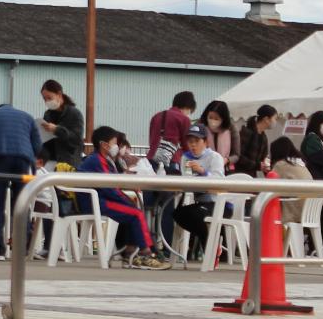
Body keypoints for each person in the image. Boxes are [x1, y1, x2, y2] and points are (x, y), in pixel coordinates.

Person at [79, 126, 169, 269]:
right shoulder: (97, 160)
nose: (116, 146)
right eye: (114, 143)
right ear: (104, 144)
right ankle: (146, 254)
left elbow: (112, 185)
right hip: (95, 202)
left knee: (132, 211)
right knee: (136, 213)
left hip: (99, 200)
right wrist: (125, 200)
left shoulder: (104, 160)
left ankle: (130, 253)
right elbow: (110, 188)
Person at [0, 98, 41, 261]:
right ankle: (20, 248)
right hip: (25, 160)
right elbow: (38, 145)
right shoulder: (27, 117)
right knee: (22, 204)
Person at [169, 122, 226, 257]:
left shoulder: (214, 157)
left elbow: (220, 181)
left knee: (196, 215)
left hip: (218, 202)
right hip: (199, 201)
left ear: (205, 142)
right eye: (190, 141)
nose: (193, 145)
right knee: (178, 214)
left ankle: (210, 250)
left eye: (197, 141)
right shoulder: (185, 158)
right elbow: (185, 181)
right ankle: (211, 247)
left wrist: (202, 172)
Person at [38, 80, 85, 166]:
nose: (47, 101)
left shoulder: (74, 113)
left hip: (68, 163)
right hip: (49, 162)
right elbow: (46, 142)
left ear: (59, 94)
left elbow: (77, 139)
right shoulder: (48, 114)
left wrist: (56, 129)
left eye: (49, 98)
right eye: (44, 99)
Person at [147, 92, 195, 170]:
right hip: (171, 161)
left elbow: (151, 140)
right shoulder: (184, 119)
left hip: (151, 158)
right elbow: (186, 144)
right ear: (188, 107)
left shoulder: (156, 116)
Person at [233, 105, 276, 177]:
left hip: (252, 176)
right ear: (266, 119)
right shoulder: (246, 132)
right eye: (275, 119)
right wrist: (257, 165)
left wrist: (266, 167)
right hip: (239, 175)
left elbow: (264, 159)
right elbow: (238, 156)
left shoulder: (264, 137)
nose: (275, 122)